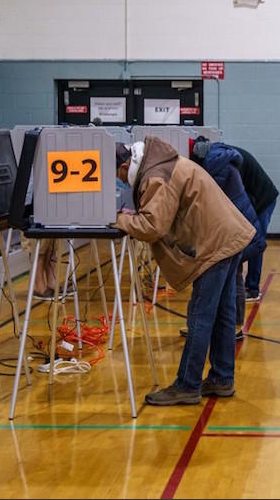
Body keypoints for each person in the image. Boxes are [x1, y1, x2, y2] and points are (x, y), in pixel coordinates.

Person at [115, 138, 255, 405]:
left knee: (200, 316)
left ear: (125, 166)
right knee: (223, 314)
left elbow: (152, 226)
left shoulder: (155, 175)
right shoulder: (163, 162)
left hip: (214, 243)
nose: (121, 183)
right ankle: (222, 378)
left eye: (119, 176)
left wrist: (118, 218)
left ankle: (188, 384)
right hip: (228, 235)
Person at [189, 139, 267, 341]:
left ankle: (234, 326)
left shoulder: (217, 171)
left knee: (234, 277)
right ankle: (232, 326)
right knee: (234, 276)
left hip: (243, 232)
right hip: (244, 227)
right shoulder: (222, 162)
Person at [229, 145, 278, 302]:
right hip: (257, 198)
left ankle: (253, 288)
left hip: (263, 200)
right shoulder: (227, 157)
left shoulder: (228, 163)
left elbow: (239, 195)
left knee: (256, 243)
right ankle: (245, 284)